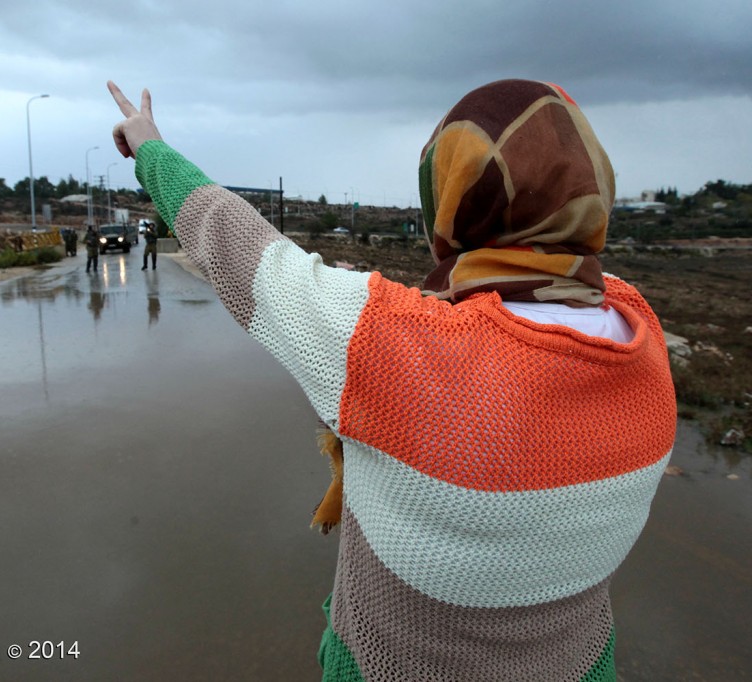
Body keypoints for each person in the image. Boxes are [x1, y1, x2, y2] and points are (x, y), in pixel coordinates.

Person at [108, 79, 676, 681]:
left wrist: (151, 150)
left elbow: (236, 245)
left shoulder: (393, 343)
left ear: (455, 197)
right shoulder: (644, 342)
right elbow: (522, 333)